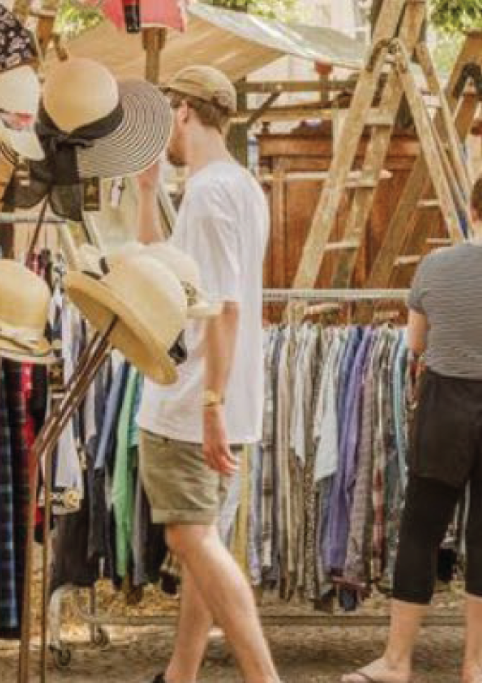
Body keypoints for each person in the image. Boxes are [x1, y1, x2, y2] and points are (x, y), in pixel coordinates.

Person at [349, 159, 482, 683]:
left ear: (470, 211)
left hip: (445, 407)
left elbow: (417, 343)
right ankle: (473, 665)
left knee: (420, 532)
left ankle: (396, 661)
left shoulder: (434, 267)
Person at [147, 66, 279, 683]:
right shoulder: (242, 188)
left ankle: (263, 676)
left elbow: (223, 306)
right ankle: (181, 674)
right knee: (203, 542)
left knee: (189, 538)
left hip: (193, 397)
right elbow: (165, 274)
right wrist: (146, 192)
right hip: (225, 393)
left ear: (183, 112)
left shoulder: (207, 194)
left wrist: (209, 404)